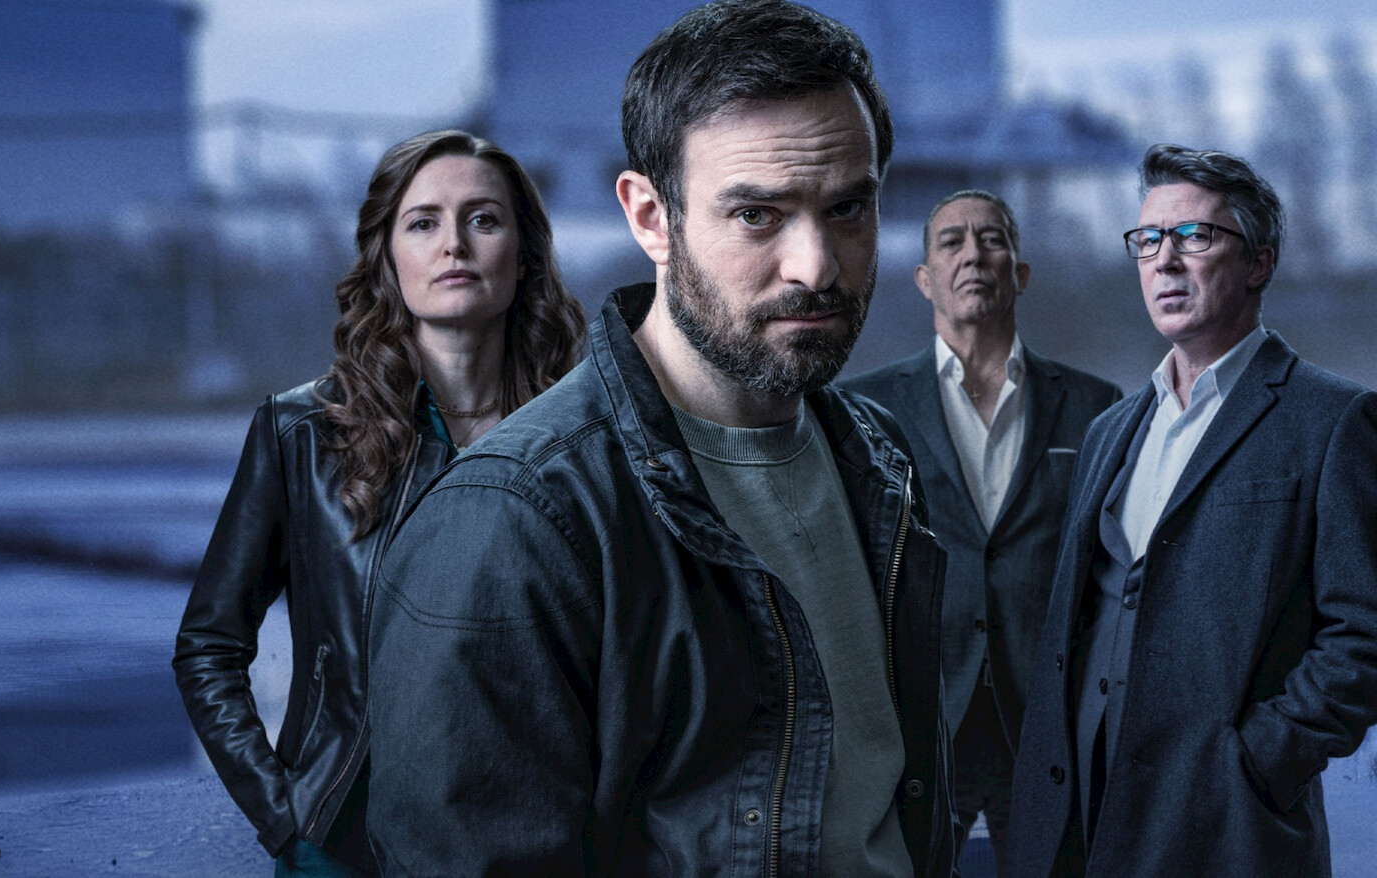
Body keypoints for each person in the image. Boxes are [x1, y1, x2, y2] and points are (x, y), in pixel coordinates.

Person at [366, 2, 955, 874]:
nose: (817, 265)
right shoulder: (511, 521)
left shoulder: (880, 459)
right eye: (757, 216)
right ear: (650, 217)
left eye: (847, 208)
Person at [172, 129, 586, 876]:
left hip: (543, 841)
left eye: (483, 219)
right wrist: (286, 817)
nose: (454, 244)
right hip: (346, 845)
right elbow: (209, 645)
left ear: (524, 253)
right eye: (423, 222)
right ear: (388, 256)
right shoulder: (301, 433)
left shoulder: (583, 437)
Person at [1008, 144, 1377, 877]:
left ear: (1259, 263)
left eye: (1194, 237)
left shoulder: (1335, 420)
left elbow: (1364, 636)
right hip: (1072, 814)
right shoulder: (1109, 430)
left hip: (1225, 823)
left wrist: (1259, 761)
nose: (1165, 261)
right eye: (1148, 240)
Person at [840, 190, 1121, 871]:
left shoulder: (1095, 406)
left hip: (1047, 720)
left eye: (992, 239)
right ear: (924, 278)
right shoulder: (864, 407)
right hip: (922, 717)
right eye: (952, 242)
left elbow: (1107, 574)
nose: (973, 255)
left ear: (1019, 273)